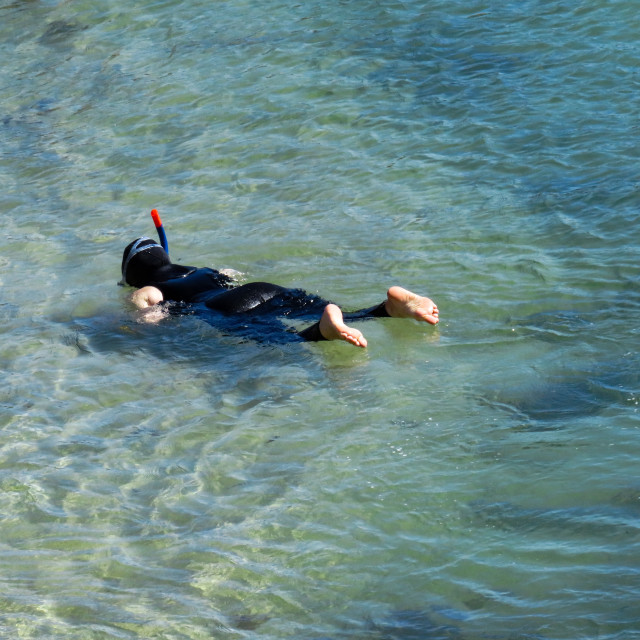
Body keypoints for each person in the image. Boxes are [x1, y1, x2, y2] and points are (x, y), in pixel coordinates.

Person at [120, 237, 439, 347]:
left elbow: (147, 311)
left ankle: (323, 332)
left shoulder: (150, 287)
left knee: (287, 340)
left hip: (227, 307)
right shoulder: (206, 270)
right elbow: (233, 275)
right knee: (341, 311)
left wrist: (140, 326)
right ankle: (389, 308)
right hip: (261, 289)